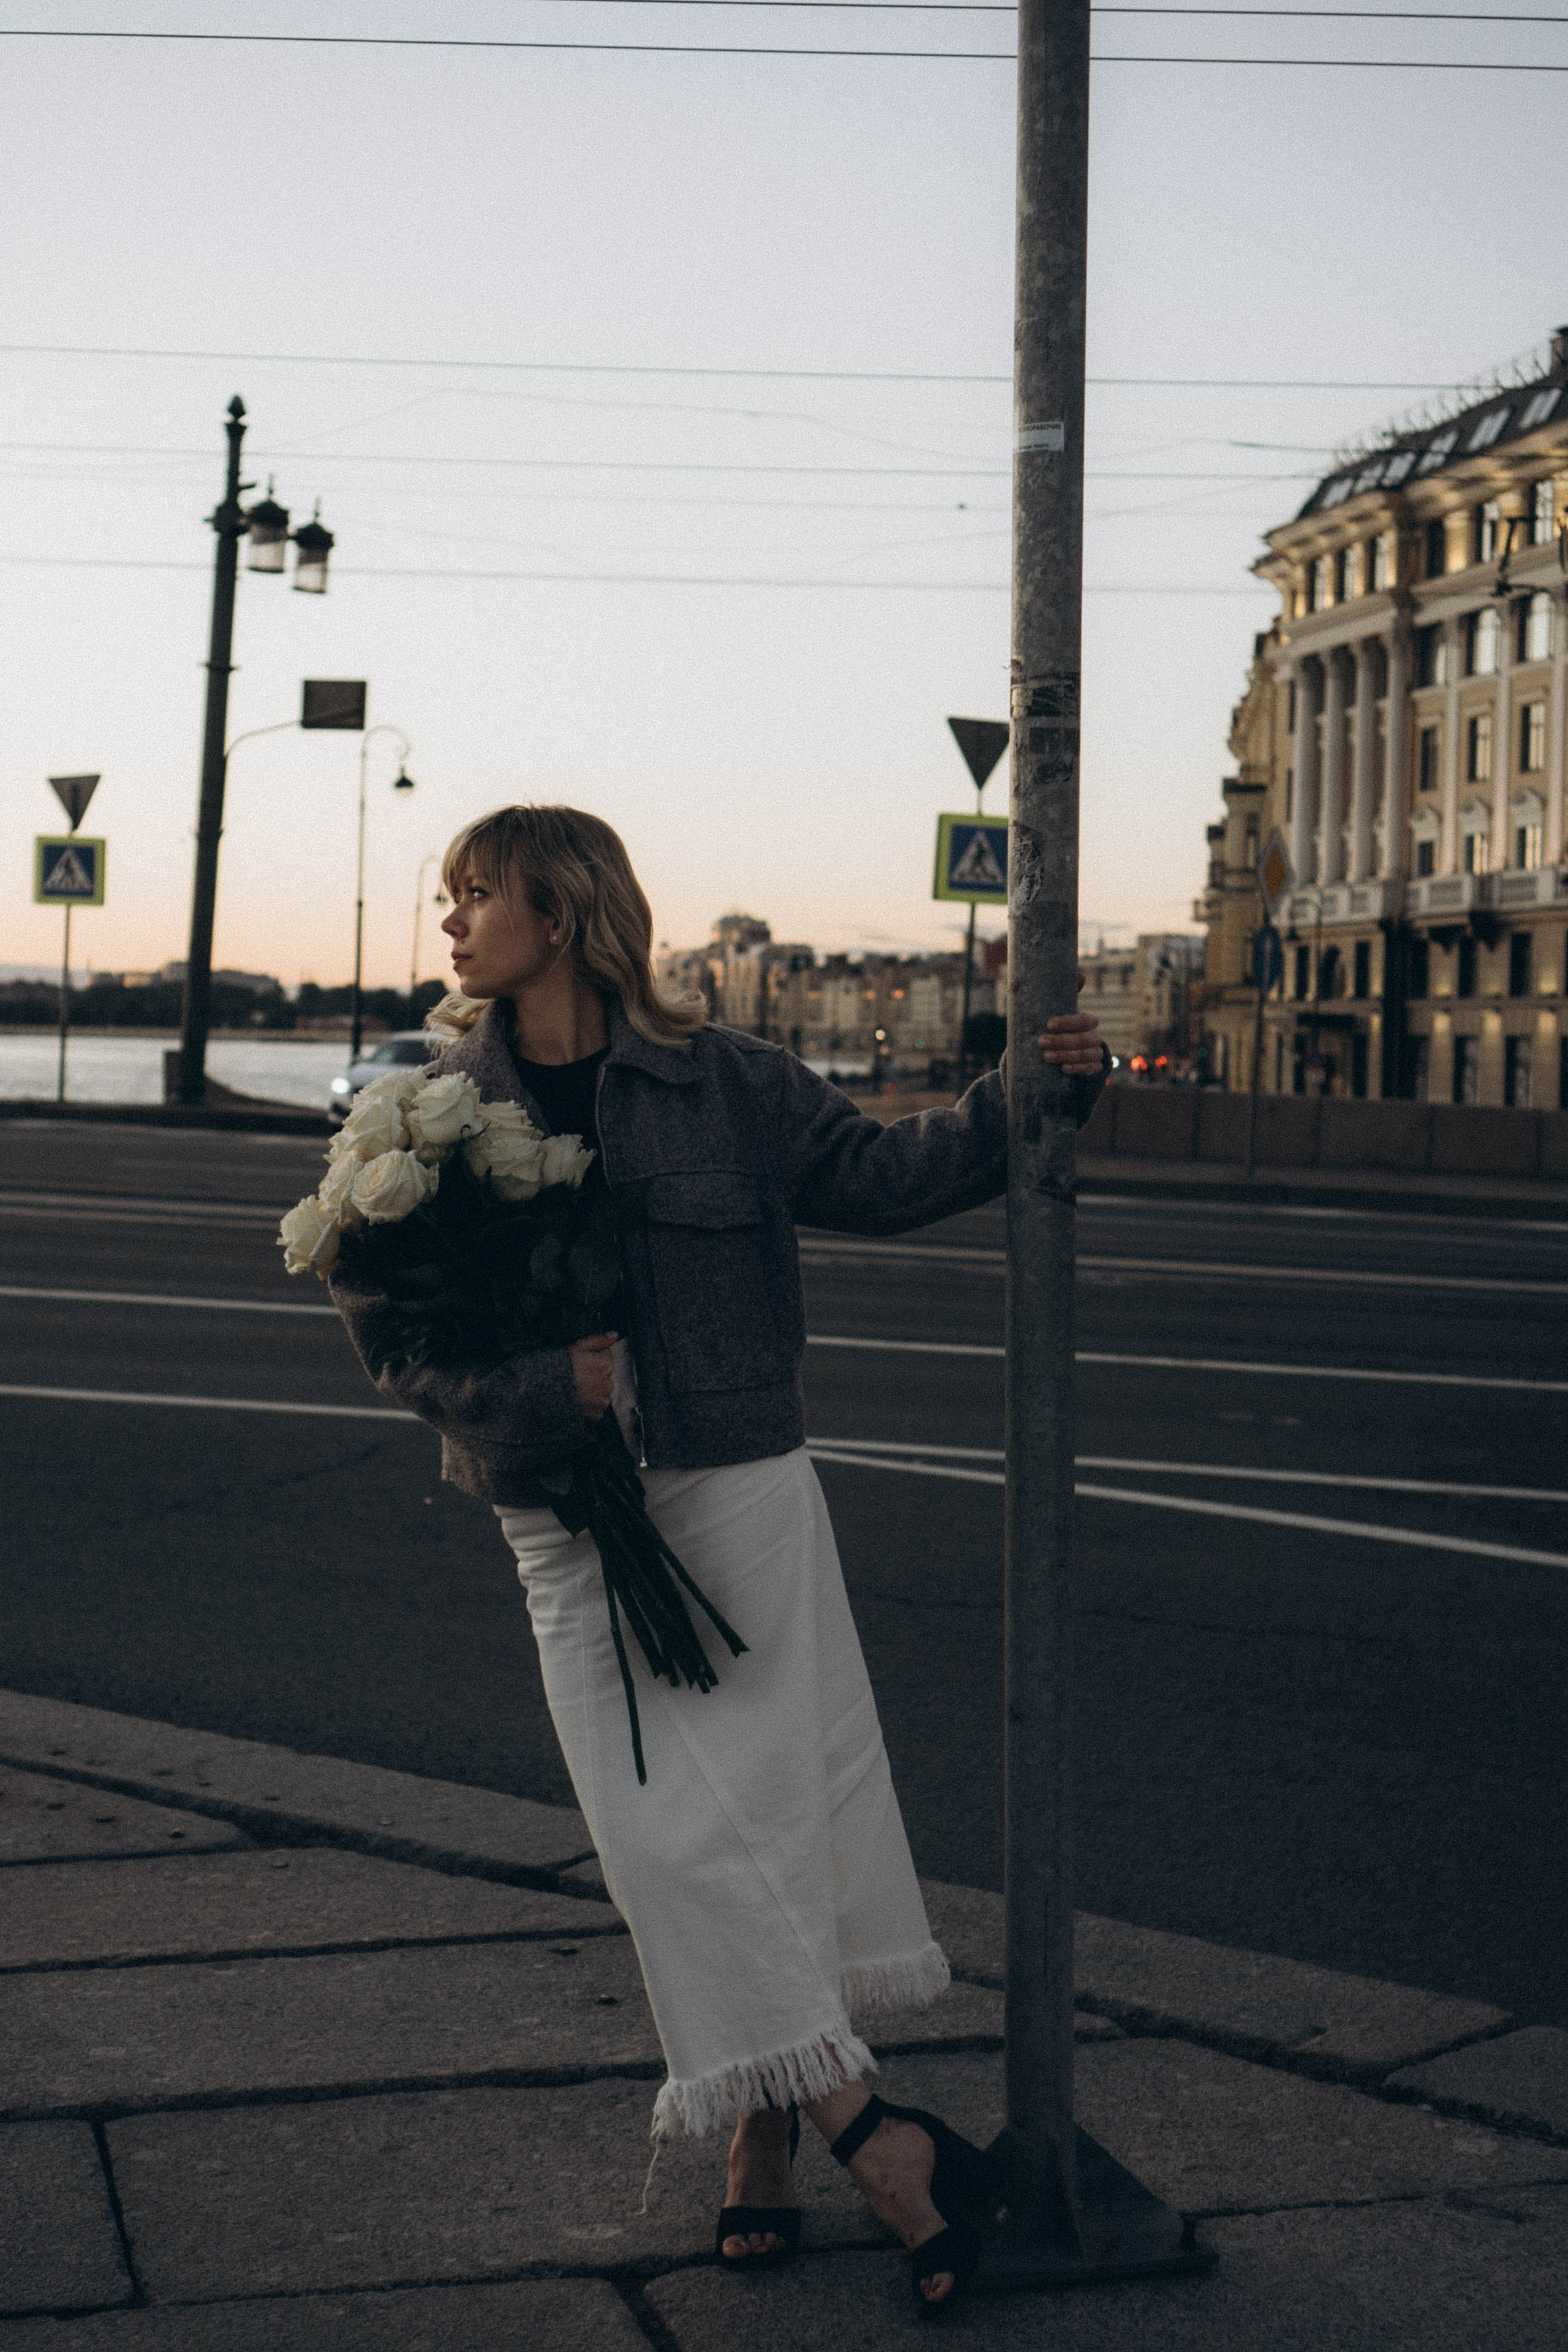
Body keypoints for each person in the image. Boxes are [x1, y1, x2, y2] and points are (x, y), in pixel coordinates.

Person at [329, 804, 1106, 2310]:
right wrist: (543, 1391)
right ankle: (870, 2131)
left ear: (563, 913)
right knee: (658, 1842)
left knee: (769, 1820)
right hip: (559, 1510)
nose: (452, 921)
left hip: (736, 1485)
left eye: (478, 893)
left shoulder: (727, 1081)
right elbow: (392, 1333)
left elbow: (886, 1177)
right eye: (451, 896)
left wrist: (1032, 1091)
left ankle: (761, 2134)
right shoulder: (424, 1108)